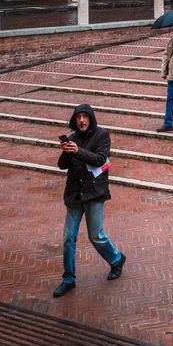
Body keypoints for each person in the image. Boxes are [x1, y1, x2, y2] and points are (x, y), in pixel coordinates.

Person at [52, 102, 125, 298]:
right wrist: (67, 152)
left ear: (91, 118)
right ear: (74, 120)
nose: (82, 120)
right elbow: (61, 165)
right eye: (78, 117)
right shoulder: (73, 138)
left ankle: (116, 259)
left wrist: (78, 151)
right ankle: (68, 279)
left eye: (85, 117)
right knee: (68, 237)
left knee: (96, 235)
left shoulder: (102, 135)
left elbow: (100, 159)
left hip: (94, 192)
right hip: (75, 194)